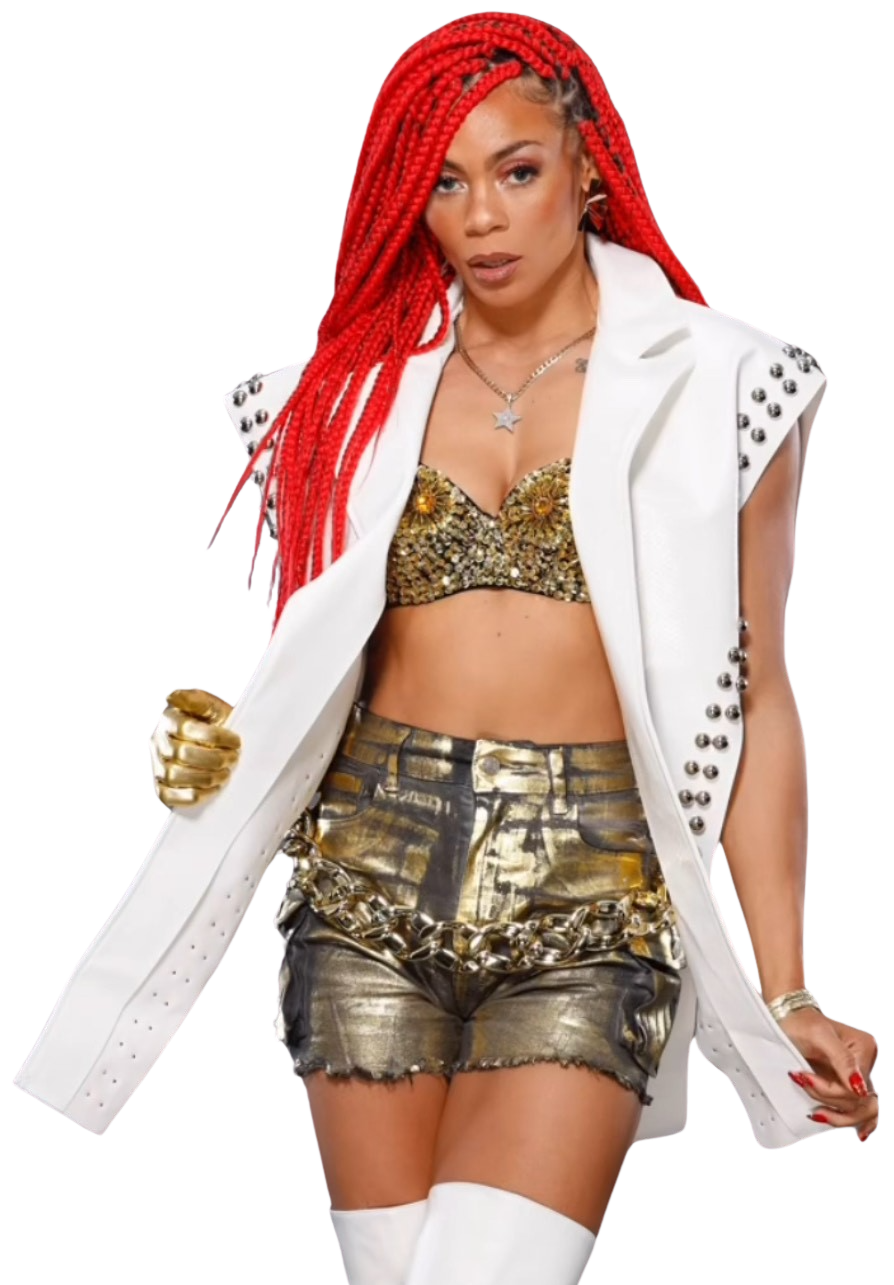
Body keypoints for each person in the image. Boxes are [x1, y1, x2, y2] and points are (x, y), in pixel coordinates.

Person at [11, 12, 878, 1285]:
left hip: (594, 889)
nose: (481, 217)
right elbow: (309, 671)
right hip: (364, 874)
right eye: (444, 183)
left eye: (517, 170)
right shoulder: (342, 397)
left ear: (590, 166)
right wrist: (207, 749)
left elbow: (755, 695)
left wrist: (787, 987)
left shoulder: (727, 384)